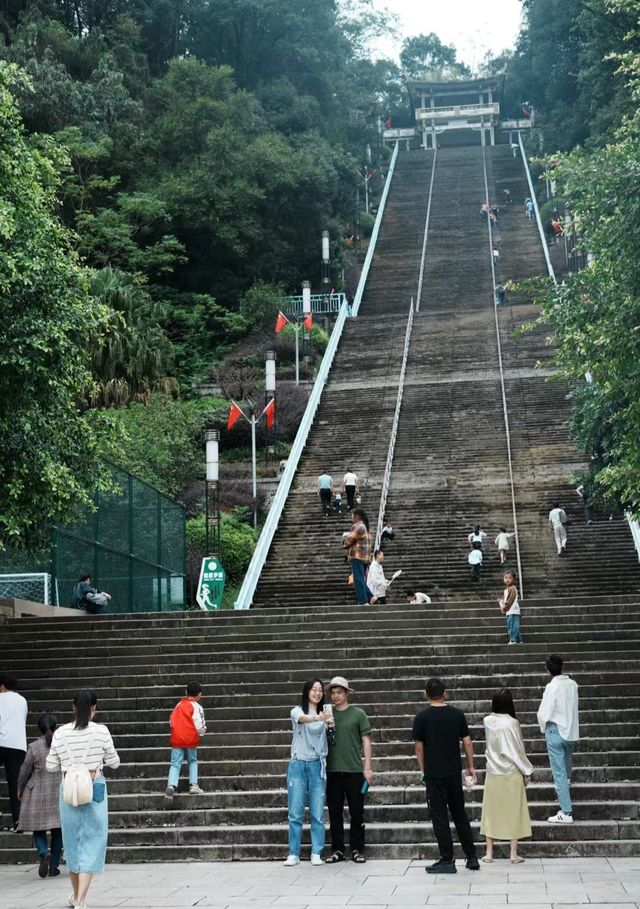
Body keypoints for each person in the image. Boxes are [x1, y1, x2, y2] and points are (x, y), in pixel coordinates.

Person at [47, 690, 120, 909]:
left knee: (72, 842)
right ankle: (80, 899)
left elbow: (51, 765)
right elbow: (114, 762)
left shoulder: (60, 733)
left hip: (69, 789)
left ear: (73, 707)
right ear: (93, 709)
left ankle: (76, 896)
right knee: (94, 840)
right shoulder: (101, 731)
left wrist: (69, 762)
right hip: (94, 787)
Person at [413, 677, 479, 874]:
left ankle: (447, 858)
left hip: (434, 773)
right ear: (445, 693)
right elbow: (467, 742)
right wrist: (470, 766)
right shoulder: (457, 714)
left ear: (426, 694)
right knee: (459, 813)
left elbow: (418, 747)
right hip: (452, 771)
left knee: (439, 815)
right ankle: (471, 856)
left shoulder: (422, 717)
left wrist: (423, 769)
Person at [284, 678, 333, 867]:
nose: (317, 693)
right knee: (295, 812)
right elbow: (303, 720)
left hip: (316, 766)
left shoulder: (326, 712)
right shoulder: (297, 711)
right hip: (298, 765)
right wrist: (318, 718)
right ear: (307, 692)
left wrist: (329, 725)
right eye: (314, 689)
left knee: (318, 812)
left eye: (320, 690)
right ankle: (293, 853)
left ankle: (316, 852)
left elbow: (328, 735)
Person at [480, 689, 533, 863]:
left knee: (491, 811)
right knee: (513, 811)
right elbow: (518, 750)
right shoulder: (513, 723)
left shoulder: (487, 721)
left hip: (493, 771)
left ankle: (489, 852)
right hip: (511, 772)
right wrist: (527, 771)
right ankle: (513, 854)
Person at [324, 677, 373, 865]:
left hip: (354, 770)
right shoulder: (326, 714)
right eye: (333, 693)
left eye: (339, 692)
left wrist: (367, 768)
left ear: (347, 693)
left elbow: (366, 741)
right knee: (335, 812)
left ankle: (356, 848)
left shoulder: (358, 714)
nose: (335, 696)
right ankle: (337, 849)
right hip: (333, 771)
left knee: (357, 812)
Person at [17, 713, 63, 878]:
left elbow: (24, 771)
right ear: (55, 727)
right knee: (58, 831)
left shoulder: (34, 747)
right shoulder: (62, 745)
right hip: (59, 792)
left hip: (37, 793)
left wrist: (19, 789)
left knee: (38, 828)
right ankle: (54, 867)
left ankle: (44, 853)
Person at [537, 655, 579, 824]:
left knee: (559, 772)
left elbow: (544, 712)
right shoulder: (573, 684)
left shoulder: (551, 687)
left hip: (555, 729)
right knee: (566, 766)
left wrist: (543, 727)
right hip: (570, 730)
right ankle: (564, 792)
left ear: (547, 669)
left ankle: (566, 812)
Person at [165, 681, 206, 798]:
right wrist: (201, 733)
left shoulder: (178, 705)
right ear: (199, 694)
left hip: (177, 740)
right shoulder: (197, 707)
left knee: (175, 764)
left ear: (186, 692)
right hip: (190, 739)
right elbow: (199, 725)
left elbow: (171, 720)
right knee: (192, 761)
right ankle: (193, 785)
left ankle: (171, 785)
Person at [0, 673, 28, 832]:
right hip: (18, 745)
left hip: (1, 742)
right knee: (14, 785)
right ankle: (18, 821)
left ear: (2, 685)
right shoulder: (22, 700)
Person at [343, 508, 372, 606]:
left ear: (356, 516)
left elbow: (349, 540)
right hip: (365, 558)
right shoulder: (366, 527)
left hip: (357, 557)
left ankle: (363, 601)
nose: (351, 518)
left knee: (358, 580)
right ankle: (372, 597)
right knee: (361, 579)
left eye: (352, 515)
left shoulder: (358, 526)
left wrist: (344, 541)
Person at [499, 571, 522, 644]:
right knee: (513, 625)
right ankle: (519, 639)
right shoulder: (507, 589)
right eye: (505, 578)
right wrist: (501, 601)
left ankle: (513, 640)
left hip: (513, 610)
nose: (507, 580)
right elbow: (506, 600)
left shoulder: (512, 588)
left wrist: (504, 608)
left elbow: (510, 600)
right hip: (510, 611)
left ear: (514, 579)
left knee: (512, 626)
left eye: (510, 578)